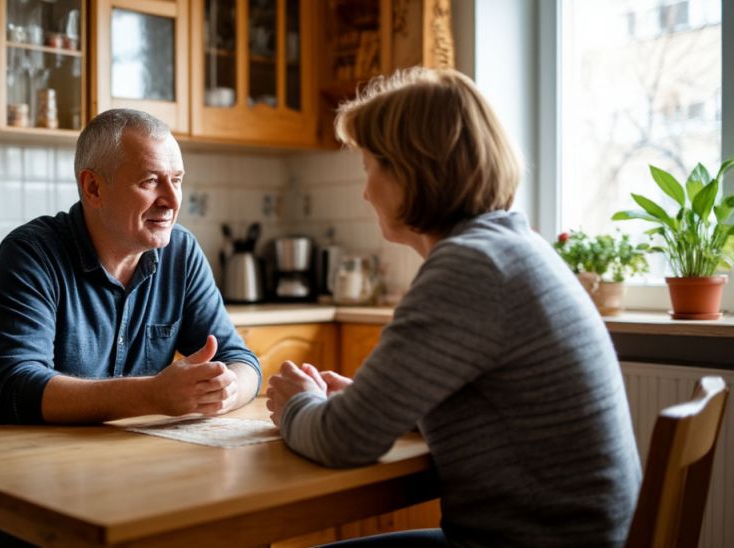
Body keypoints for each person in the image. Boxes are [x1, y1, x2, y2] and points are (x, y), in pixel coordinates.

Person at [265, 68, 641, 547]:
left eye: (369, 168)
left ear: (409, 171)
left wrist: (297, 403)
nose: (365, 191)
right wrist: (373, 402)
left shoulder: (470, 267)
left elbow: (345, 441)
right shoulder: (512, 247)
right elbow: (494, 407)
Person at [0, 109, 261, 546]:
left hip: (127, 484)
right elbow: (15, 387)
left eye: (177, 179)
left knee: (240, 525)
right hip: (15, 500)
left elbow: (242, 360)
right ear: (93, 187)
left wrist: (225, 388)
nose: (172, 200)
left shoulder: (182, 252)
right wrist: (154, 394)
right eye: (150, 181)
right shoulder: (30, 253)